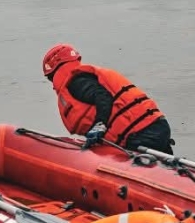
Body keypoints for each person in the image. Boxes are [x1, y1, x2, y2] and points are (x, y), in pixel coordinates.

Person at [42, 43, 175, 154]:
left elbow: (102, 96)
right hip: (155, 126)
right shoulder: (81, 78)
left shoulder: (76, 82)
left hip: (139, 133)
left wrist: (100, 125)